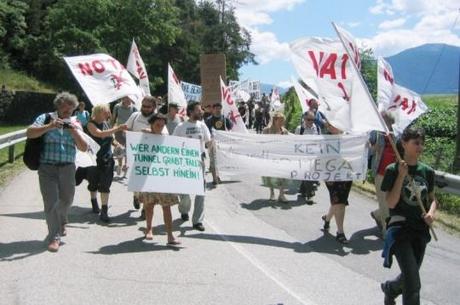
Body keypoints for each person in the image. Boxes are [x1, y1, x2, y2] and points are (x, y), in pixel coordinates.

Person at [380, 127, 437, 305]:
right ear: (404, 144)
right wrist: (401, 177)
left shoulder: (427, 172)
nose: (420, 147)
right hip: (399, 230)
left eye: (422, 143)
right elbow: (390, 203)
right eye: (415, 143)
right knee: (413, 284)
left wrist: (431, 213)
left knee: (409, 276)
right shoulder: (392, 169)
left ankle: (391, 289)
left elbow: (433, 199)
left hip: (420, 230)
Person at [26, 92, 88, 252]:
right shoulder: (46, 117)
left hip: (68, 167)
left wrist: (74, 131)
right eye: (65, 107)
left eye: (71, 108)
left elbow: (83, 147)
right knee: (51, 202)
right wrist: (50, 126)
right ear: (58, 106)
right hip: (47, 167)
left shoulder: (76, 122)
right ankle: (54, 236)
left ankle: (61, 220)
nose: (68, 110)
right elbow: (30, 132)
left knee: (67, 199)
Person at [139, 113, 180, 245]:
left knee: (166, 207)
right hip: (148, 178)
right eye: (157, 125)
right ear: (151, 124)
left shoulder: (166, 139)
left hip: (163, 178)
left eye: (162, 126)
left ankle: (170, 235)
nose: (160, 128)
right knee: (149, 205)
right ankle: (149, 229)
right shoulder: (143, 136)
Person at [173, 102, 211, 231]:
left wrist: (214, 145)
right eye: (199, 110)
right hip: (184, 163)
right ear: (191, 112)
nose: (201, 112)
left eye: (201, 110)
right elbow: (173, 144)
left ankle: (197, 221)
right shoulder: (180, 127)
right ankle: (184, 210)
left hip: (199, 163)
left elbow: (208, 142)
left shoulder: (202, 126)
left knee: (201, 192)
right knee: (184, 192)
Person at [86, 104, 128, 222]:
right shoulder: (90, 124)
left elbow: (110, 137)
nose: (109, 114)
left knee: (105, 184)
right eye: (106, 112)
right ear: (99, 112)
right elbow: (99, 134)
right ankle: (94, 201)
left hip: (107, 158)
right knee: (93, 183)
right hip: (93, 159)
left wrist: (117, 144)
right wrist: (118, 128)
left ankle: (104, 211)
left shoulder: (106, 123)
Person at [125, 96, 161, 216]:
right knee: (135, 180)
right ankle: (136, 195)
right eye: (143, 106)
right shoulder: (135, 116)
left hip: (151, 156)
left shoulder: (159, 118)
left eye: (148, 107)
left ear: (154, 107)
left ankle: (146, 209)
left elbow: (165, 135)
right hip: (135, 155)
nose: (144, 108)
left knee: (148, 183)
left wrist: (152, 132)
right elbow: (126, 129)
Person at [321, 122, 352, 244]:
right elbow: (321, 158)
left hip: (346, 175)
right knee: (339, 203)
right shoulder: (326, 140)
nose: (330, 127)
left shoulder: (350, 138)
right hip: (332, 175)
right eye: (329, 125)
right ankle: (340, 232)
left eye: (333, 125)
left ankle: (327, 219)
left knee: (338, 202)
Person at [369, 112, 397, 235]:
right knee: (384, 201)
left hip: (393, 173)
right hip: (380, 172)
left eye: (386, 120)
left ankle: (377, 214)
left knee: (390, 202)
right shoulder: (376, 133)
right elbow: (369, 150)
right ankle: (387, 230)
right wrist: (375, 148)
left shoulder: (397, 134)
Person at [262, 112, 289, 202]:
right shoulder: (266, 130)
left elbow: (288, 144)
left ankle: (281, 194)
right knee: (270, 175)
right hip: (270, 156)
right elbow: (262, 143)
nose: (282, 122)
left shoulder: (284, 131)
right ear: (275, 120)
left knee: (282, 175)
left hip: (281, 157)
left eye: (283, 120)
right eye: (280, 120)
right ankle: (272, 193)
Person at [295, 111, 321, 204]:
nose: (311, 121)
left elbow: (320, 141)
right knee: (306, 174)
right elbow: (296, 142)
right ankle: (309, 194)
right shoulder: (300, 129)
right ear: (304, 119)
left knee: (309, 174)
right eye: (309, 119)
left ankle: (305, 191)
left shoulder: (317, 128)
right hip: (303, 156)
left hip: (313, 155)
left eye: (313, 119)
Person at [205, 103, 233, 185]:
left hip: (222, 144)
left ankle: (218, 176)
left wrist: (230, 119)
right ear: (213, 110)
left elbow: (230, 128)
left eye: (219, 108)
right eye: (216, 108)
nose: (218, 110)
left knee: (220, 162)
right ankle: (215, 178)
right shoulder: (209, 120)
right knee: (214, 161)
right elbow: (207, 132)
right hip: (213, 143)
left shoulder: (224, 119)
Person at [111, 96, 137, 177]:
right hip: (119, 130)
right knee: (120, 148)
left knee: (128, 149)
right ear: (123, 99)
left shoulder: (134, 108)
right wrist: (111, 130)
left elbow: (136, 120)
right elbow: (113, 119)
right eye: (127, 99)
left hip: (129, 131)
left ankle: (126, 166)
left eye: (130, 99)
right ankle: (120, 164)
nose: (129, 100)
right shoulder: (117, 106)